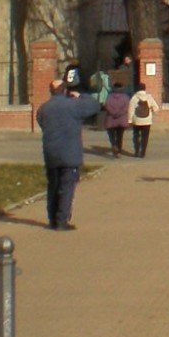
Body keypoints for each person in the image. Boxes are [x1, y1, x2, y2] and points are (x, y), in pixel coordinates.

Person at [37, 69, 101, 230]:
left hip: (51, 152)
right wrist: (81, 96)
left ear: (51, 91)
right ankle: (62, 221)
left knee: (53, 186)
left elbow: (42, 124)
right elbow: (94, 106)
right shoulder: (73, 105)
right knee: (66, 188)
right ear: (65, 90)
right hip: (70, 152)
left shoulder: (44, 108)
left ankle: (52, 219)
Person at [127, 81, 156, 158]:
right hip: (147, 121)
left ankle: (136, 151)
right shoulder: (149, 97)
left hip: (136, 120)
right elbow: (156, 108)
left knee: (136, 136)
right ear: (144, 89)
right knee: (145, 137)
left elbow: (130, 110)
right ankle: (143, 152)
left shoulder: (134, 98)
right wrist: (151, 110)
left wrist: (129, 121)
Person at [102, 82, 131, 157]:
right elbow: (126, 108)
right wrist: (119, 113)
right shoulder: (126, 97)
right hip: (121, 119)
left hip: (111, 119)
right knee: (120, 136)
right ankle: (119, 150)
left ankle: (114, 145)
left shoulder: (109, 97)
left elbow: (107, 106)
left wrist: (113, 113)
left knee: (111, 135)